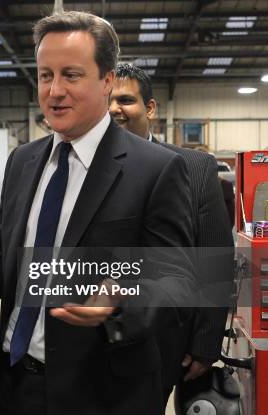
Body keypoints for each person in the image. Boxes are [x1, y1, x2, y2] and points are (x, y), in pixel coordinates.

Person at [0, 11, 196, 415]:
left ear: (106, 80)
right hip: (14, 381)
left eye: (71, 75)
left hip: (101, 391)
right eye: (44, 75)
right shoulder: (23, 160)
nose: (54, 91)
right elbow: (7, 250)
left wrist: (121, 297)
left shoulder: (156, 169)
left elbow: (176, 276)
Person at [109, 62, 234, 405]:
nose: (113, 110)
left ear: (150, 108)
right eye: (107, 100)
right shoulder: (86, 170)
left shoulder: (194, 168)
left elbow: (215, 258)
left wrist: (206, 343)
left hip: (164, 341)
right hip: (97, 335)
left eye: (125, 100)